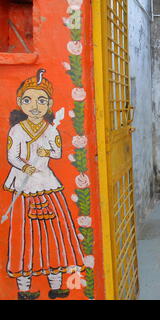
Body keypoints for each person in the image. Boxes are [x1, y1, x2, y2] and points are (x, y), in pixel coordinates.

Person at [4, 69, 85, 300]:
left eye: (41, 100)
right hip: (24, 187)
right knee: (25, 236)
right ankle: (24, 287)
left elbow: (57, 152)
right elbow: (12, 156)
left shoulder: (51, 129)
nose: (35, 106)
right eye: (28, 100)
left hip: (47, 185)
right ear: (20, 103)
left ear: (49, 104)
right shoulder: (17, 130)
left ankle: (57, 285)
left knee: (54, 234)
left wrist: (45, 150)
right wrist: (25, 166)